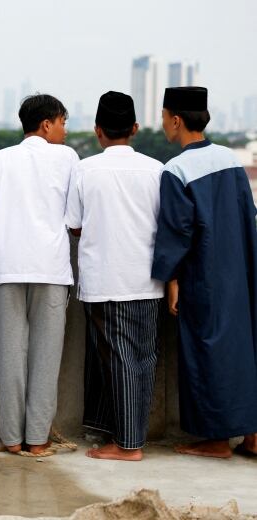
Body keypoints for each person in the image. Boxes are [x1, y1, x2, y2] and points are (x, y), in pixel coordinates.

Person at [151, 86, 257, 459]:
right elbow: (248, 214)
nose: (162, 123)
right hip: (241, 269)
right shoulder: (231, 159)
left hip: (204, 275)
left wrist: (172, 278)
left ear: (176, 120)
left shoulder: (176, 169)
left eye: (164, 116)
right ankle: (252, 435)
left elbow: (177, 231)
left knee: (206, 350)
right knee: (244, 347)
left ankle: (215, 440)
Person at [0, 94, 79, 456]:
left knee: (9, 355)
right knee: (46, 356)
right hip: (50, 268)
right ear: (47, 123)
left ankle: (11, 439)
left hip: (5, 267)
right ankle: (37, 440)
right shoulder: (67, 158)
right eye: (63, 123)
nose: (66, 131)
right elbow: (75, 218)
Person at [65, 91, 164, 461]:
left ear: (97, 130)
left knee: (117, 358)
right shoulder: (157, 169)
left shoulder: (85, 169)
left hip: (105, 279)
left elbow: (74, 226)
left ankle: (127, 445)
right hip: (148, 279)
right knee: (143, 357)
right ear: (135, 128)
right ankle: (126, 433)